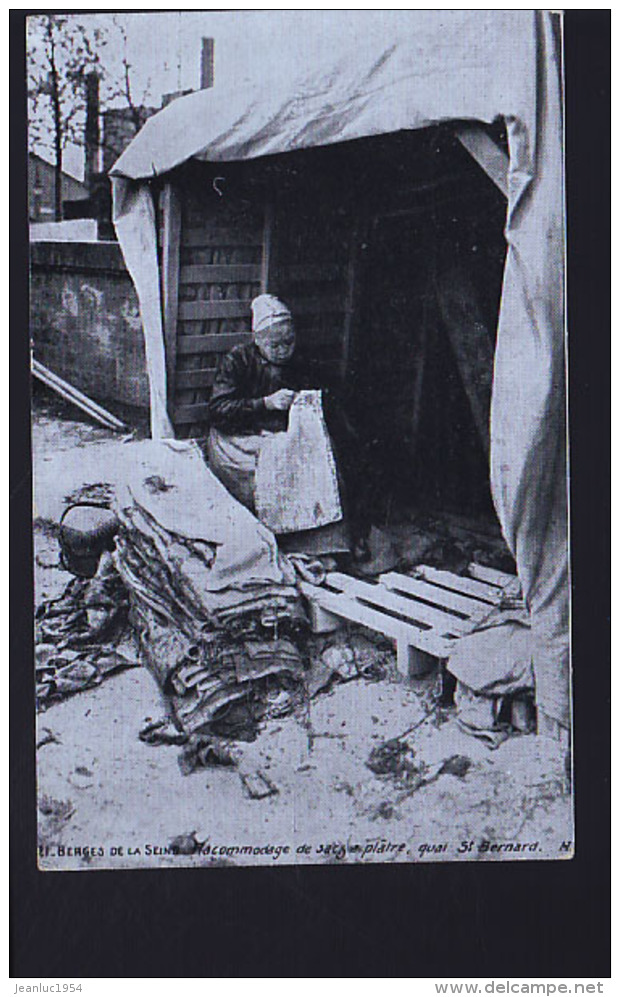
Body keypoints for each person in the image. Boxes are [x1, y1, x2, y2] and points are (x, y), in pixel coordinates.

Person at [207, 294, 368, 558]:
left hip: (284, 434)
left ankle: (326, 545)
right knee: (270, 471)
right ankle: (280, 541)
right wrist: (265, 403)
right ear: (258, 339)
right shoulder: (237, 360)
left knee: (322, 466)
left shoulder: (299, 361)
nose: (284, 350)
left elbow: (327, 397)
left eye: (289, 342)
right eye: (275, 345)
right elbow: (218, 411)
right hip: (240, 437)